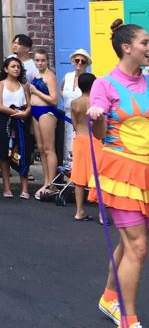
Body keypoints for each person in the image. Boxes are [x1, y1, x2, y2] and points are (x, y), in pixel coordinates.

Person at [88, 22, 149, 328]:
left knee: (130, 245)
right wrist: (97, 115)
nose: (148, 47)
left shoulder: (148, 81)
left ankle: (110, 297)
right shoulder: (104, 84)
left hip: (146, 173)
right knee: (138, 247)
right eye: (145, 42)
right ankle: (128, 324)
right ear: (127, 47)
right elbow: (98, 134)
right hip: (121, 174)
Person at [0, 56, 33, 199]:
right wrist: (17, 113)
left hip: (22, 124)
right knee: (4, 155)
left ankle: (25, 188)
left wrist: (26, 113)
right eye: (13, 66)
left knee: (23, 153)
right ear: (6, 69)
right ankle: (7, 188)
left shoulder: (24, 86)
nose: (16, 69)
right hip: (6, 122)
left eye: (18, 67)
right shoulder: (0, 85)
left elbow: (29, 105)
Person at [69, 72, 101, 223]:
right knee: (98, 177)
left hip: (80, 140)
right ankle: (102, 214)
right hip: (95, 140)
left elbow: (75, 125)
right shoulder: (96, 102)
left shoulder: (75, 103)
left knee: (79, 178)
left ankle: (79, 211)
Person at [29, 48, 60, 200]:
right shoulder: (36, 74)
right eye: (37, 60)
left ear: (47, 61)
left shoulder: (50, 76)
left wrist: (35, 91)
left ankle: (52, 184)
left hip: (46, 112)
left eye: (43, 60)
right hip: (34, 111)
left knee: (49, 148)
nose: (40, 63)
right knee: (41, 148)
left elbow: (54, 99)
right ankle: (46, 181)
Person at [61, 49, 91, 167]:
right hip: (68, 115)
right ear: (73, 61)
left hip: (82, 118)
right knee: (68, 146)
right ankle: (70, 174)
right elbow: (61, 89)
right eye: (77, 60)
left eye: (82, 61)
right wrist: (66, 100)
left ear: (86, 63)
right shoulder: (67, 76)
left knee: (80, 146)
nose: (79, 63)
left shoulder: (89, 79)